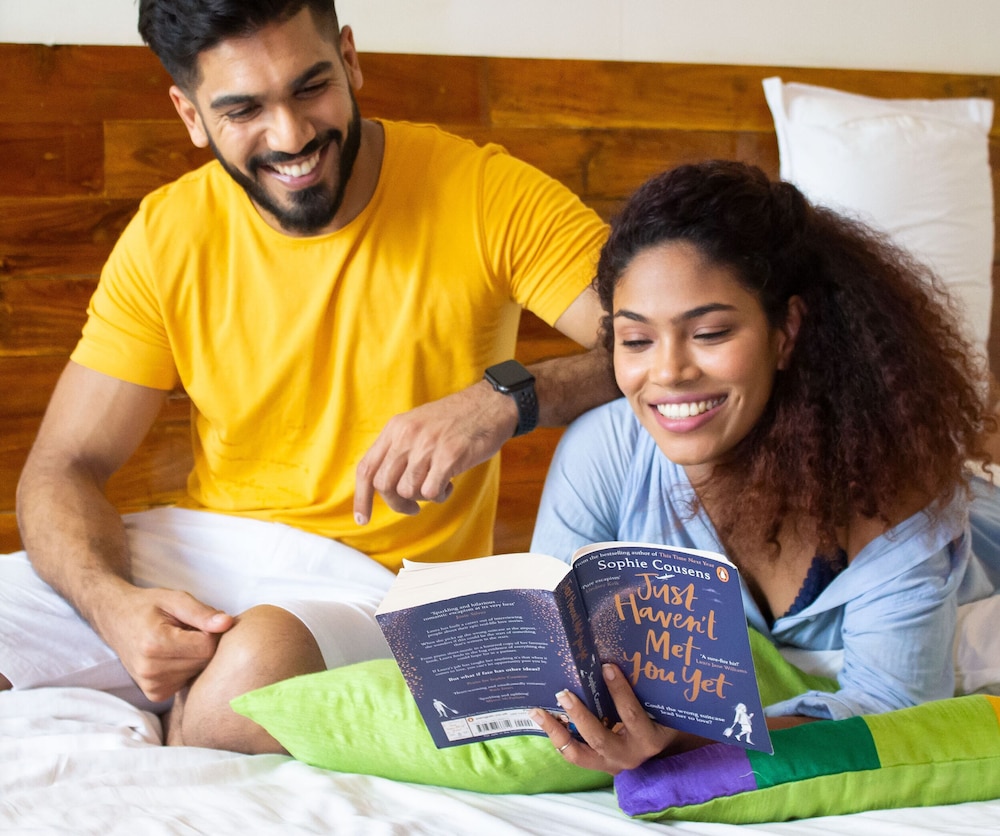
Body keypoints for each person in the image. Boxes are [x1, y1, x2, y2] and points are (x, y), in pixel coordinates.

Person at [0, 0, 618, 754]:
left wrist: (507, 398)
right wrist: (112, 607)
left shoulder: (486, 191)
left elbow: (660, 340)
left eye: (311, 87)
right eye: (244, 110)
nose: (291, 136)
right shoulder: (166, 233)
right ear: (190, 115)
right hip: (205, 548)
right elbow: (63, 465)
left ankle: (174, 720)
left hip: (385, 581)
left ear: (350, 60)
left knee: (246, 681)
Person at [527, 160, 1000, 774]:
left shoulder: (894, 482)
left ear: (786, 330)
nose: (668, 372)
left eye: (710, 332)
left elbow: (894, 709)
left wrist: (680, 742)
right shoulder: (603, 452)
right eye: (637, 340)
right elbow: (551, 655)